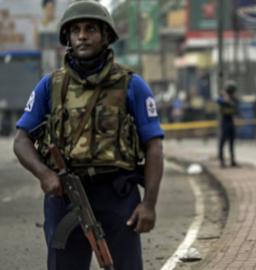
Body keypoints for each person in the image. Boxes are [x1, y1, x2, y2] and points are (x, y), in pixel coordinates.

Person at [12, 1, 164, 269]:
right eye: (76, 30)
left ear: (106, 36)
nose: (82, 35)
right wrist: (45, 174)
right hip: (66, 195)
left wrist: (149, 204)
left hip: (118, 194)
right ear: (68, 38)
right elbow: (21, 141)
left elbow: (153, 146)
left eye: (91, 29)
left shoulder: (131, 84)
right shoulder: (50, 85)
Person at [217, 82, 239, 167]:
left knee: (232, 142)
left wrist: (229, 98)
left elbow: (235, 103)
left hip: (231, 121)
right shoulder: (222, 98)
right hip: (224, 122)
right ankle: (222, 161)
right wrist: (224, 96)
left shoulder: (233, 99)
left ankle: (232, 160)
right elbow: (219, 101)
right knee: (222, 142)